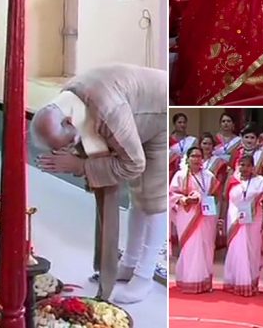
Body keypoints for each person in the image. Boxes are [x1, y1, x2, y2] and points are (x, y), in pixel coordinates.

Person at [32, 64, 166, 304]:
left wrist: (80, 166)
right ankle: (129, 263)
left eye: (70, 143)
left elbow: (134, 164)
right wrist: (78, 159)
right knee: (138, 196)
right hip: (136, 111)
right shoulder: (66, 100)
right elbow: (87, 142)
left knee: (154, 200)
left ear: (70, 122)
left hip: (160, 114)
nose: (71, 148)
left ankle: (143, 278)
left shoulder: (108, 111)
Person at [170, 147, 221, 294]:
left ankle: (204, 281)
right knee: (191, 246)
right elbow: (171, 194)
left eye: (199, 156)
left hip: (206, 216)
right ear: (187, 158)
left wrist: (204, 199)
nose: (196, 159)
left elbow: (217, 195)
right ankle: (189, 280)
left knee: (205, 246)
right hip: (187, 216)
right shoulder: (180, 175)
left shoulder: (209, 176)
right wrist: (184, 199)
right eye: (193, 156)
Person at [222, 155, 263, 296]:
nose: (244, 168)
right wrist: (221, 219)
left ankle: (249, 282)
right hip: (234, 218)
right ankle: (235, 281)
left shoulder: (261, 182)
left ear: (252, 167)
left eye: (247, 165)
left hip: (254, 220)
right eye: (241, 165)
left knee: (251, 249)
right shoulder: (233, 180)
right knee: (236, 248)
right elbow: (225, 199)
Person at [170, 113, 197, 182]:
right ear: (174, 124)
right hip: (171, 173)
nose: (182, 125)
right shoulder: (168, 141)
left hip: (188, 172)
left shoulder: (192, 140)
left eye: (184, 122)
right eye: (179, 122)